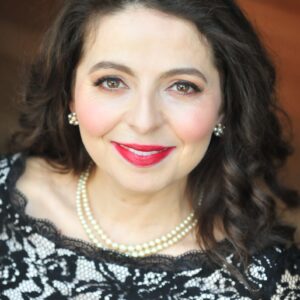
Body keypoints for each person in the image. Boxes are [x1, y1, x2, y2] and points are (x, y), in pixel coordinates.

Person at [0, 0, 299, 298]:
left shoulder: (268, 279)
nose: (144, 122)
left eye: (183, 86)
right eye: (112, 81)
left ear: (224, 107)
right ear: (70, 96)